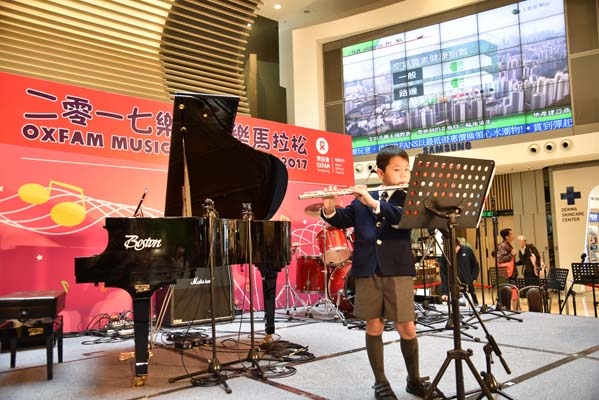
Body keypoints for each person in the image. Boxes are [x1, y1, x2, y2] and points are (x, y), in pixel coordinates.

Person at [321, 145, 433, 399]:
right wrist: (329, 208)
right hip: (367, 267)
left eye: (406, 169)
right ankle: (380, 382)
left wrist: (373, 203)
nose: (404, 174)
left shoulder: (409, 198)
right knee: (373, 324)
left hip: (397, 268)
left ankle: (414, 379)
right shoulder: (364, 197)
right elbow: (342, 218)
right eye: (397, 170)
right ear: (381, 173)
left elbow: (401, 219)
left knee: (407, 327)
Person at [440, 237, 480, 306]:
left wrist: (473, 278)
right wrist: (445, 292)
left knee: (474, 307)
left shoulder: (467, 250)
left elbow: (475, 266)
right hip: (452, 290)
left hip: (468, 288)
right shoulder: (445, 256)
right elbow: (443, 274)